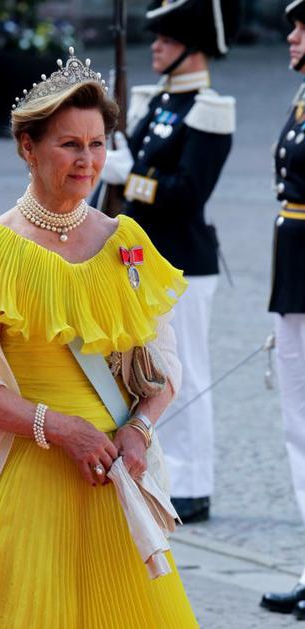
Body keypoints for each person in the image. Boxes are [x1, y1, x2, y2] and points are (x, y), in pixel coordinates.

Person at [0, 49, 199, 628]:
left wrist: (138, 430)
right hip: (22, 472)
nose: (87, 160)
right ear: (28, 148)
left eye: (97, 144)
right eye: (69, 144)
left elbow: (163, 366)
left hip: (111, 478)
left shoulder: (125, 242)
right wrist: (59, 428)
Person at [100, 0, 239, 523]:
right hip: (142, 258)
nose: (156, 47)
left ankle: (194, 482)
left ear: (192, 48)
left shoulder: (207, 110)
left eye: (167, 39)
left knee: (186, 372)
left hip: (183, 261)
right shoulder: (154, 102)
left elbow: (188, 191)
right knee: (146, 370)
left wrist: (131, 175)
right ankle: (161, 470)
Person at [261, 0, 305, 621]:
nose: (292, 37)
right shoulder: (301, 99)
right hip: (294, 280)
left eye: (302, 28)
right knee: (299, 429)